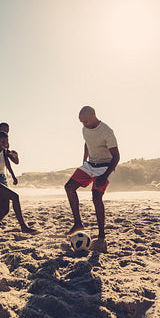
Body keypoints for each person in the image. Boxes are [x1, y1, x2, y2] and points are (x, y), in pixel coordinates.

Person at [64, 106, 120, 252]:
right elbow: (87, 142)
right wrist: (84, 162)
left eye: (86, 121)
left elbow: (116, 156)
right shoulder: (85, 129)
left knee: (96, 198)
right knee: (69, 187)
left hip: (105, 166)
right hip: (90, 164)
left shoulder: (106, 131)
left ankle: (101, 237)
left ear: (93, 115)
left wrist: (105, 175)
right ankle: (78, 223)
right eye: (81, 122)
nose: (84, 124)